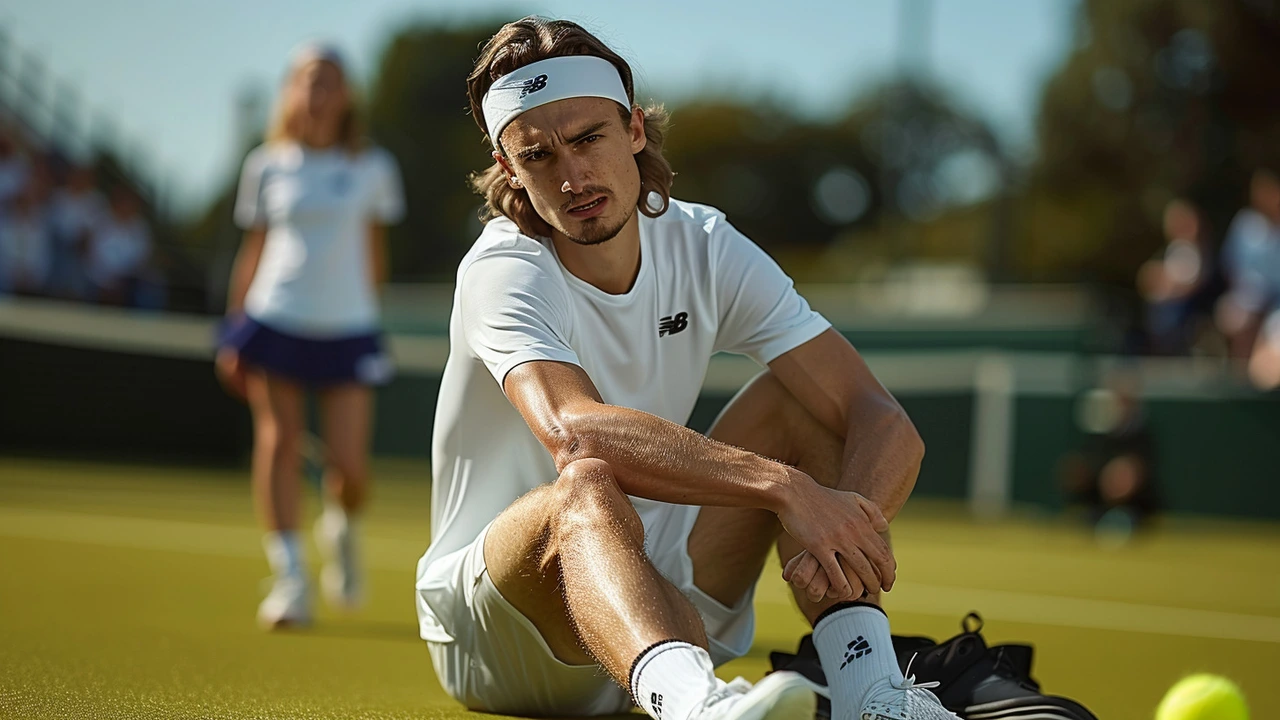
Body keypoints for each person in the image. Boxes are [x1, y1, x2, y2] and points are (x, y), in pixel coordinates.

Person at [415, 17, 957, 720]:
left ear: (635, 130)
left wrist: (844, 528)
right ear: (509, 167)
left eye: (588, 139)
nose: (573, 176)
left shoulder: (705, 243)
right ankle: (696, 707)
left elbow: (881, 420)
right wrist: (786, 489)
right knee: (584, 483)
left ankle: (871, 693)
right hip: (504, 636)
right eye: (539, 155)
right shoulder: (503, 267)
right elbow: (574, 435)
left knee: (800, 404)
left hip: (662, 605)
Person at [217, 43, 404, 629]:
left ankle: (340, 528)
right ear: (292, 90)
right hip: (275, 320)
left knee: (350, 470)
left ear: (346, 93)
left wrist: (366, 318)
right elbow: (254, 251)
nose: (318, 92)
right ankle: (291, 580)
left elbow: (376, 258)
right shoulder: (265, 163)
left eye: (329, 81)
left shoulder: (373, 167)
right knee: (278, 442)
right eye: (308, 80)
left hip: (348, 330)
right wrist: (234, 330)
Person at [87, 184, 152, 305]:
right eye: (124, 202)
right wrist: (107, 279)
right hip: (98, 279)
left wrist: (122, 278)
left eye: (131, 203)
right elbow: (92, 255)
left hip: (128, 282)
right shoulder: (100, 222)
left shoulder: (140, 228)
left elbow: (142, 259)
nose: (127, 207)